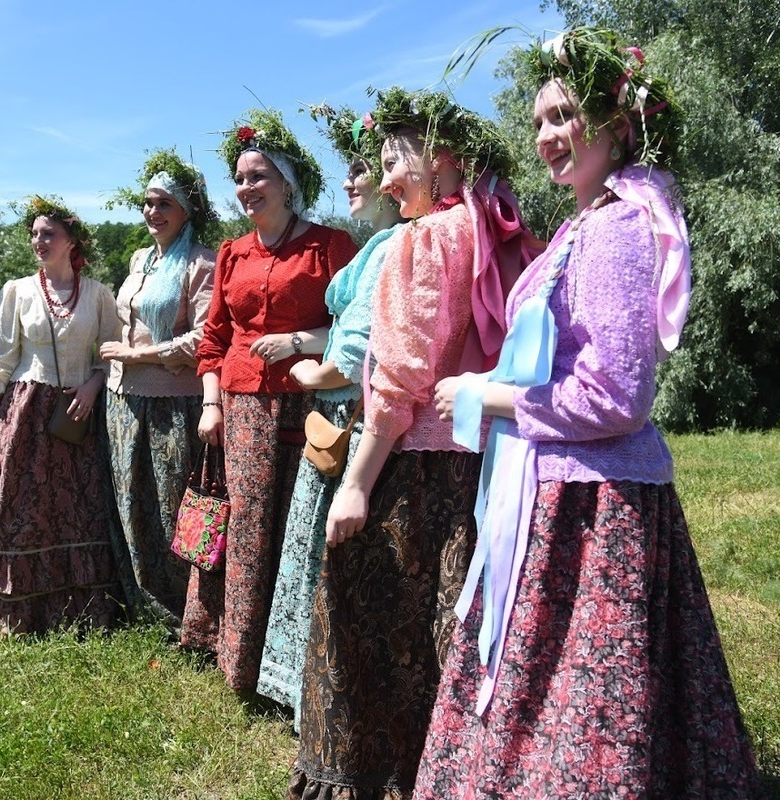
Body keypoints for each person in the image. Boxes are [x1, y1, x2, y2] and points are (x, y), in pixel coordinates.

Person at [412, 28, 761, 797]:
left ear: (620, 125)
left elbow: (615, 394)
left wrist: (488, 396)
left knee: (580, 704)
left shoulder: (617, 228)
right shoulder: (586, 222)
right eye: (540, 121)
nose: (547, 136)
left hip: (593, 507)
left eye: (565, 115)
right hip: (564, 492)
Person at [290, 87, 541, 798]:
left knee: (375, 633)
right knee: (454, 633)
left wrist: (357, 484)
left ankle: (380, 778)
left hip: (416, 469)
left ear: (443, 160)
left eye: (397, 160)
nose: (388, 176)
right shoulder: (491, 233)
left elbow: (399, 382)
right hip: (480, 465)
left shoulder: (426, 238)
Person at [182, 108, 359, 691]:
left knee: (299, 528)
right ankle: (237, 657)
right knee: (250, 525)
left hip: (311, 404)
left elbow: (356, 325)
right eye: (240, 178)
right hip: (243, 409)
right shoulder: (232, 252)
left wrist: (300, 340)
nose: (246, 188)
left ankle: (294, 667)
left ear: (288, 183)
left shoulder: (329, 245)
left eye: (258, 176)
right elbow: (214, 339)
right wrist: (211, 404)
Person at [256, 105, 402, 724]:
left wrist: (318, 371)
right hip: (339, 406)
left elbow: (361, 341)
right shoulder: (381, 242)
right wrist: (305, 346)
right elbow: (345, 327)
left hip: (349, 411)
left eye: (364, 168)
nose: (352, 180)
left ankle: (323, 693)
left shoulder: (392, 243)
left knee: (330, 553)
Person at [0, 195, 123, 636]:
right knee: (21, 510)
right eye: (35, 234)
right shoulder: (17, 291)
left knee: (80, 508)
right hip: (24, 414)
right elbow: (0, 364)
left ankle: (83, 616)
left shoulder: (98, 294)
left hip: (77, 415)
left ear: (71, 241)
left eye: (49, 233)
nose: (39, 240)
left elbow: (110, 356)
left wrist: (92, 387)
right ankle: (22, 618)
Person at [99, 149, 217, 628]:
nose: (153, 212)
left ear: (187, 209)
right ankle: (140, 605)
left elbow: (206, 336)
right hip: (124, 402)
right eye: (148, 203)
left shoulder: (202, 262)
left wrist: (139, 355)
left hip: (173, 404)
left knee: (171, 508)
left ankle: (183, 613)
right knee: (130, 502)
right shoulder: (139, 258)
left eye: (164, 203)